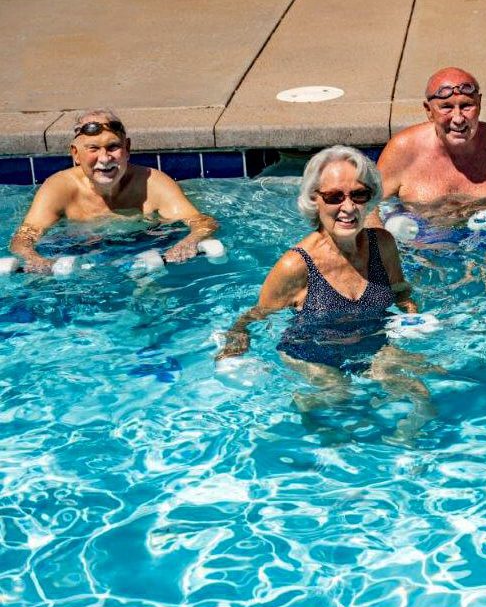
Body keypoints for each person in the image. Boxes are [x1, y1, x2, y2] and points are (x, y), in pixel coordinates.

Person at [217, 145, 430, 410]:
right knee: (339, 396)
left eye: (359, 195)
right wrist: (233, 346)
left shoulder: (383, 244)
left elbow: (401, 293)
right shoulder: (295, 265)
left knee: (420, 393)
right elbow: (254, 316)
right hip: (311, 353)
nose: (348, 207)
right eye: (334, 197)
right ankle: (301, 405)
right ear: (314, 200)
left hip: (372, 343)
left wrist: (413, 320)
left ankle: (405, 448)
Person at [9, 109, 219, 272]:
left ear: (127, 149)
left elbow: (202, 222)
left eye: (112, 147)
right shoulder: (59, 188)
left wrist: (188, 242)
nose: (104, 158)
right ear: (75, 153)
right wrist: (32, 258)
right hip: (78, 250)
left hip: (144, 246)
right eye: (93, 149)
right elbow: (24, 237)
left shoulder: (152, 184)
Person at [370, 66, 486, 230]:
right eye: (446, 107)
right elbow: (368, 207)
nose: (458, 118)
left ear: (479, 104)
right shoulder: (403, 150)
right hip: (422, 248)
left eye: (467, 106)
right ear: (428, 110)